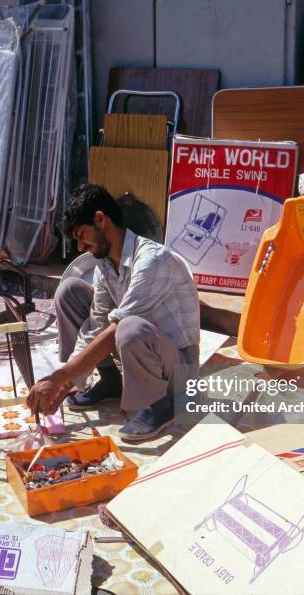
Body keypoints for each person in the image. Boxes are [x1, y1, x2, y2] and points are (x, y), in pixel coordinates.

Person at [26, 184, 200, 441]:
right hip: (146, 348)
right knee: (70, 291)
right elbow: (96, 326)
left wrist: (59, 376)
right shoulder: (106, 267)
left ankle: (161, 404)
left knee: (128, 327)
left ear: (100, 219)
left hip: (179, 370)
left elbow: (116, 329)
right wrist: (63, 386)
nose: (80, 246)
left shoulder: (152, 260)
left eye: (81, 235)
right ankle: (110, 382)